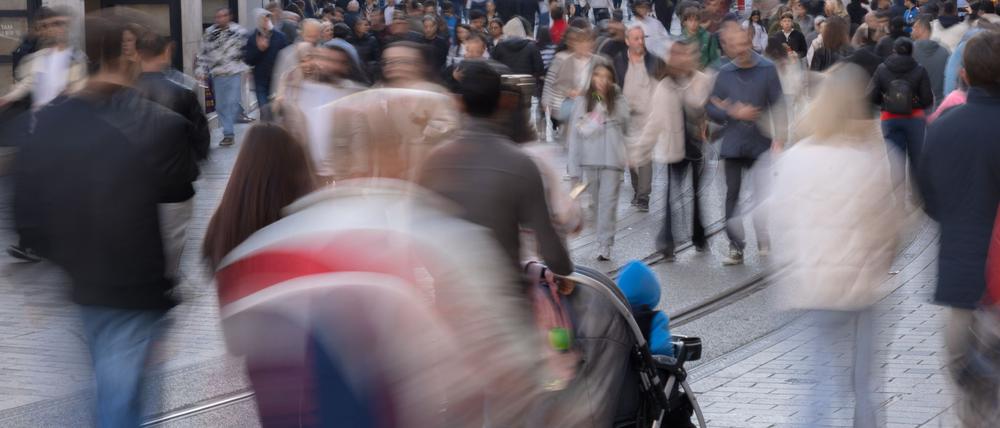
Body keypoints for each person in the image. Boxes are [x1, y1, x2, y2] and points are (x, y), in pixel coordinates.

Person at [13, 13, 196, 427]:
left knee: (110, 384)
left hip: (83, 281)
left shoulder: (50, 120)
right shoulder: (162, 126)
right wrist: (169, 284)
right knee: (121, 396)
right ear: (129, 55)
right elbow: (175, 215)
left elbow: (27, 208)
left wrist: (60, 258)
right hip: (137, 283)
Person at [771, 63, 902, 428]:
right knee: (863, 383)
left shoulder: (797, 157)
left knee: (819, 381)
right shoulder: (874, 156)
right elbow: (889, 227)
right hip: (862, 289)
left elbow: (778, 220)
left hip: (813, 288)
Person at [417, 60, 573, 276]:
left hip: (451, 297)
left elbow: (420, 240)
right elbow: (557, 259)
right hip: (508, 296)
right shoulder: (522, 163)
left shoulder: (435, 160)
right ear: (503, 102)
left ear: (457, 103)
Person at [918, 30, 1000, 428]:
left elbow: (929, 201)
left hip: (962, 279)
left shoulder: (945, 126)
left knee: (967, 381)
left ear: (964, 74)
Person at [707, 26, 786, 266]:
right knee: (732, 194)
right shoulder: (724, 73)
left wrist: (780, 138)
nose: (741, 50)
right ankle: (736, 246)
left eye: (744, 43)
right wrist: (732, 110)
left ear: (750, 41)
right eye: (735, 46)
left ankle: (763, 236)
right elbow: (710, 107)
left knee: (762, 194)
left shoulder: (767, 69)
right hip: (733, 144)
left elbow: (779, 105)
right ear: (728, 47)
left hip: (760, 142)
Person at [134, 32, 211, 279]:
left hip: (134, 181)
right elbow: (201, 139)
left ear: (136, 55)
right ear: (166, 52)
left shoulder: (122, 94)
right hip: (175, 181)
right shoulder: (184, 92)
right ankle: (166, 279)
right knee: (173, 237)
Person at [637, 40, 712, 260]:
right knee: (671, 196)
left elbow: (709, 109)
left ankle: (699, 235)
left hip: (697, 146)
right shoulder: (665, 86)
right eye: (676, 55)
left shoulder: (702, 80)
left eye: (684, 54)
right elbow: (654, 122)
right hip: (674, 148)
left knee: (697, 196)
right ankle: (667, 243)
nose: (681, 59)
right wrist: (639, 151)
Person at [273, 42, 366, 182]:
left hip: (341, 177)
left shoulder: (353, 95)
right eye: (325, 59)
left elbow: (360, 141)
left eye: (335, 61)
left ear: (346, 66)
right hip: (305, 175)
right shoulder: (299, 89)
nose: (327, 65)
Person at [567, 63, 630, 261]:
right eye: (598, 76)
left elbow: (627, 125)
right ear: (592, 78)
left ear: (612, 80)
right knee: (596, 203)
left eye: (606, 77)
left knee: (608, 203)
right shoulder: (583, 101)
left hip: (612, 160)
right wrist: (573, 168)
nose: (602, 81)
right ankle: (601, 237)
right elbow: (575, 136)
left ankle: (605, 243)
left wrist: (607, 106)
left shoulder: (618, 100)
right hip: (589, 159)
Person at [542, 27, 609, 180]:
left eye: (586, 43)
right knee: (575, 138)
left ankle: (594, 166)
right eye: (579, 43)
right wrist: (569, 91)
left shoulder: (599, 61)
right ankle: (574, 171)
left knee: (595, 134)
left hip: (596, 100)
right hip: (576, 103)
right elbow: (558, 83)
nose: (582, 47)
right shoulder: (567, 60)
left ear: (591, 44)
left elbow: (608, 83)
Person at [868, 37, 933, 191]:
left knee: (895, 163)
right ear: (912, 52)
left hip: (889, 119)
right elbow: (927, 100)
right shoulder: (920, 69)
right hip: (915, 119)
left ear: (893, 51)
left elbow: (871, 96)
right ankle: (917, 199)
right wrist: (915, 103)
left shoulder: (882, 69)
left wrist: (885, 102)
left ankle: (899, 203)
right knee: (916, 160)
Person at [612, 26, 664, 213]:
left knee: (645, 156)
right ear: (627, 41)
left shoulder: (654, 61)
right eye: (635, 39)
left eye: (642, 38)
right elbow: (607, 90)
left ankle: (643, 196)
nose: (640, 42)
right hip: (626, 116)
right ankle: (637, 192)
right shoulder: (618, 61)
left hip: (648, 116)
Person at [0, 7, 87, 111]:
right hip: (40, 116)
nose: (52, 29)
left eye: (59, 24)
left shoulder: (77, 57)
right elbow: (29, 81)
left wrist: (71, 91)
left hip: (63, 115)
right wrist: (8, 98)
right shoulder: (40, 56)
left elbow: (81, 86)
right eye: (47, 25)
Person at [196, 8, 250, 146]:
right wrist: (201, 71)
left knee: (232, 102)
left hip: (234, 72)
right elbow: (203, 53)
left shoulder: (239, 32)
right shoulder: (209, 33)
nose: (220, 19)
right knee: (220, 106)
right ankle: (228, 134)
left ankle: (228, 131)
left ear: (229, 17)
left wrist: (249, 69)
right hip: (218, 73)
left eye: (224, 16)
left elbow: (247, 52)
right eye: (218, 16)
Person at [244, 8, 291, 119]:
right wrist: (259, 49)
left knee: (275, 109)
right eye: (263, 19)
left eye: (268, 18)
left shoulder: (280, 36)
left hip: (277, 77)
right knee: (264, 109)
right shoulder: (252, 37)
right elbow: (248, 59)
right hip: (260, 78)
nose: (266, 21)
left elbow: (285, 56)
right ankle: (266, 131)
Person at [272, 18, 323, 97]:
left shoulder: (324, 55)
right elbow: (278, 85)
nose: (312, 40)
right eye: (309, 36)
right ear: (301, 34)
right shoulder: (287, 55)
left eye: (315, 37)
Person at [911, 15, 950, 108]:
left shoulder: (909, 51)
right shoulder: (945, 51)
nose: (911, 31)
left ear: (920, 30)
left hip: (917, 106)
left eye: (913, 28)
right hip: (940, 105)